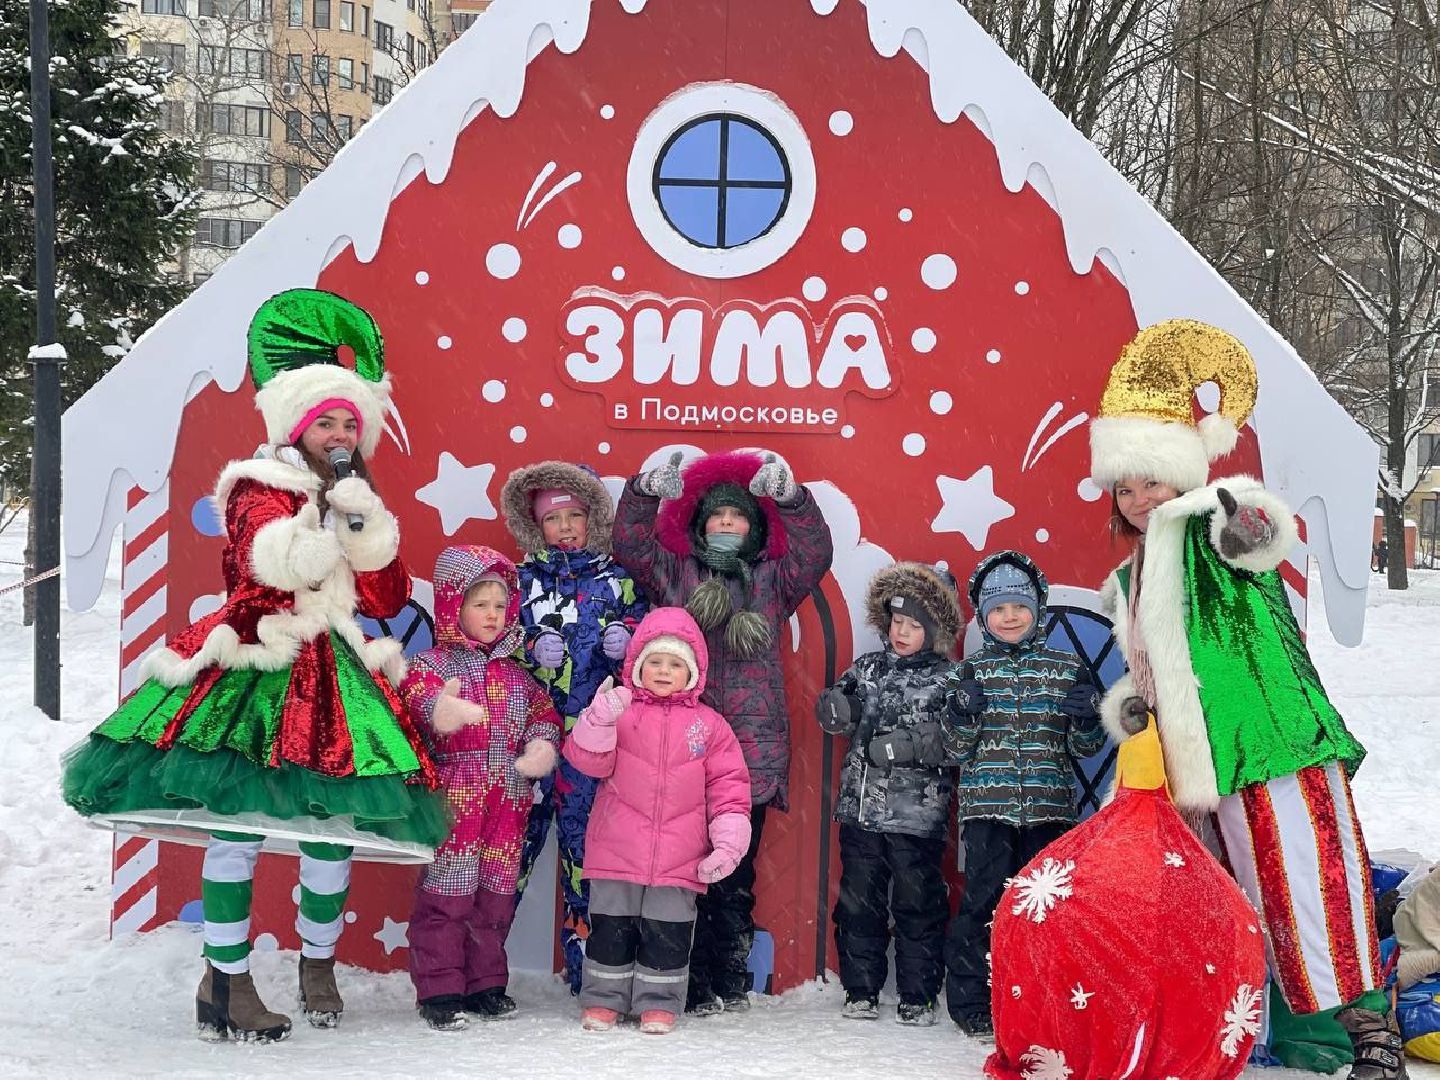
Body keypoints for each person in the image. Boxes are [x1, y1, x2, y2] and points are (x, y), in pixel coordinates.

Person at [61, 289, 447, 1041]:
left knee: (333, 829)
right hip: (260, 665)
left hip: (336, 672)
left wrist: (361, 517)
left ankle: (317, 962)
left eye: (347, 422)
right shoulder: (256, 485)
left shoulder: (351, 493)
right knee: (234, 824)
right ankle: (225, 981)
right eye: (324, 422)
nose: (337, 432)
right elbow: (274, 566)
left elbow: (385, 591)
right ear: (295, 427)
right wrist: (326, 518)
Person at [1091, 319, 1401, 1079]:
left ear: (1185, 474)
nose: (1138, 498)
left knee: (1314, 896)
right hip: (1196, 771)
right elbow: (1148, 668)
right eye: (1124, 486)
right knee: (1223, 908)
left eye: (1151, 480)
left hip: (1272, 744)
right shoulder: (1129, 579)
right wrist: (1133, 709)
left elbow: (1263, 539)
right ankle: (1223, 1037)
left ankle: (1372, 1039)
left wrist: (1235, 506)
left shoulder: (1211, 523)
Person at [614, 449, 834, 1015]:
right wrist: (643, 491)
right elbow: (632, 547)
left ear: (755, 526)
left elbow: (815, 553)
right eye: (718, 516)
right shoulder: (678, 575)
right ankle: (681, 979)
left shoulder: (774, 581)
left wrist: (792, 499)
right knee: (683, 872)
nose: (728, 524)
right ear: (700, 523)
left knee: (733, 872)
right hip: (680, 750)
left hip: (753, 749)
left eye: (738, 516)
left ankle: (727, 976)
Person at [563, 607, 752, 1035]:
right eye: (655, 662)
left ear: (693, 671)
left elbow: (729, 788)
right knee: (611, 930)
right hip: (617, 848)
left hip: (679, 857)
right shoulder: (622, 711)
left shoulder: (710, 726)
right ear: (636, 665)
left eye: (674, 663)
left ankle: (659, 1003)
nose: (663, 671)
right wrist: (597, 719)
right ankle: (603, 1000)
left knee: (667, 933)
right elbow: (586, 760)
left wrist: (727, 842)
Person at [397, 545, 563, 1030]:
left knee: (494, 898)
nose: (492, 616)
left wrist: (540, 747)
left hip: (507, 804)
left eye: (499, 606)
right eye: (479, 604)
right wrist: (438, 712)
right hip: (455, 802)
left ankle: (486, 983)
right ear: (453, 605)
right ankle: (440, 988)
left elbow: (543, 715)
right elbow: (411, 702)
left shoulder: (516, 676)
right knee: (447, 897)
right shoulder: (431, 665)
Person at [941, 550, 1103, 1038]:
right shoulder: (967, 673)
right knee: (984, 903)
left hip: (1049, 811)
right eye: (997, 609)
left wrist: (1087, 716)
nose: (1009, 617)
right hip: (987, 813)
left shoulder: (1066, 668)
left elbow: (1086, 747)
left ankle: (1045, 1000)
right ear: (983, 617)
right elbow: (955, 748)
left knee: (1045, 907)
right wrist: (963, 714)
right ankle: (973, 1004)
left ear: (1037, 607)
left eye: (1019, 607)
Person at [500, 461, 648, 993]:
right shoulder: (521, 581)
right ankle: (483, 970)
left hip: (592, 745)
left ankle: (590, 974)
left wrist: (624, 640)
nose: (564, 527)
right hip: (531, 742)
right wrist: (528, 648)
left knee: (586, 856)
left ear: (593, 520)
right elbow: (492, 642)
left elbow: (651, 649)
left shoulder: (618, 581)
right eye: (553, 519)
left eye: (574, 516)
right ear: (536, 527)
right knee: (508, 851)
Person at [815, 562, 962, 1026]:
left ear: (934, 631)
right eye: (897, 622)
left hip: (917, 819)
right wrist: (837, 708)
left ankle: (918, 995)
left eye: (915, 626)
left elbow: (957, 740)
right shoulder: (869, 668)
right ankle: (861, 989)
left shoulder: (948, 678)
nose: (902, 632)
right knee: (858, 903)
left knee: (918, 905)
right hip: (861, 812)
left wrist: (908, 746)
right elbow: (835, 702)